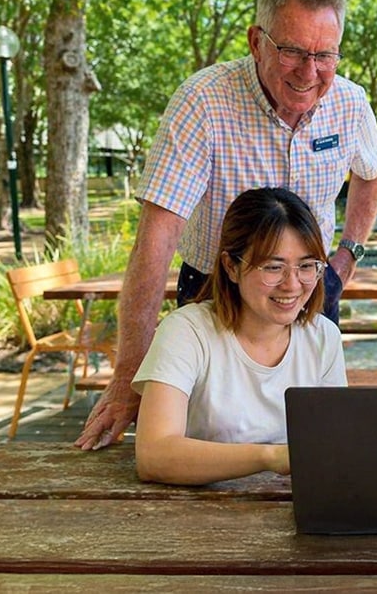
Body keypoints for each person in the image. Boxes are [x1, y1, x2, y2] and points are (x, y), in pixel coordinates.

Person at [76, 0, 377, 450]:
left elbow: (372, 171)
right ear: (257, 42)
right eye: (293, 51)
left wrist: (346, 254)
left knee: (313, 434)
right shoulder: (204, 100)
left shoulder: (350, 102)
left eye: (324, 55)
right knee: (204, 432)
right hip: (215, 286)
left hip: (308, 285)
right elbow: (155, 241)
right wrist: (128, 377)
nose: (310, 71)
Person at [132, 188, 346, 485]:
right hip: (194, 513)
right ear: (231, 266)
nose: (292, 284)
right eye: (273, 267)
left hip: (290, 509)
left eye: (307, 266)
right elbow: (154, 455)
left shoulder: (324, 337)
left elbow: (334, 447)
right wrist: (270, 457)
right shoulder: (186, 332)